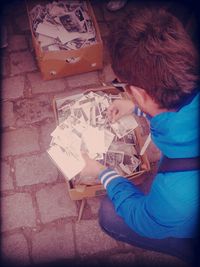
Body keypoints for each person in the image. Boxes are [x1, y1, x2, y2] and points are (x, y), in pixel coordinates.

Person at [81, 7, 199, 265]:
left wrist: (104, 172)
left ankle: (185, 248)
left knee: (110, 213)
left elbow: (143, 219)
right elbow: (174, 98)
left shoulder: (175, 197)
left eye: (123, 87)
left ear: (141, 92)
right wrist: (135, 106)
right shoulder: (188, 84)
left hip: (181, 216)